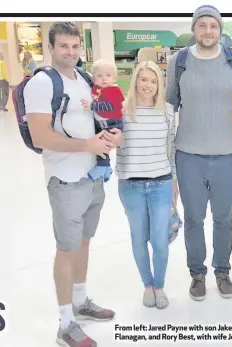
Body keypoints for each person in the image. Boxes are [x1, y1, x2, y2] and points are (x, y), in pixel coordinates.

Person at [24, 22, 120, 347]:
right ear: (51, 47)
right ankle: (66, 324)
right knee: (66, 250)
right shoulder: (41, 84)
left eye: (75, 46)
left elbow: (98, 118)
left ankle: (80, 301)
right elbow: (40, 136)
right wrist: (87, 146)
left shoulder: (86, 79)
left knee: (83, 243)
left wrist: (110, 136)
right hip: (64, 179)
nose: (70, 52)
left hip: (93, 176)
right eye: (63, 46)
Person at [165, 5, 232, 301]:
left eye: (213, 26)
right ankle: (197, 274)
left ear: (220, 29)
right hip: (188, 154)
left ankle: (222, 270)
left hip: (227, 153)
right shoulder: (180, 61)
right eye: (202, 26)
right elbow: (169, 106)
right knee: (193, 218)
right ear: (194, 29)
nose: (208, 31)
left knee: (224, 218)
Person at [117, 61, 177, 310]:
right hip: (130, 185)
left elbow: (171, 149)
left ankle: (160, 285)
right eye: (143, 80)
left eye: (153, 81)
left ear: (159, 84)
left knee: (160, 239)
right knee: (138, 237)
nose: (148, 85)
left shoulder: (168, 111)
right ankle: (147, 286)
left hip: (161, 183)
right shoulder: (121, 111)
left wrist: (174, 183)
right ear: (135, 81)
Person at [81, 59, 125, 182]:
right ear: (93, 78)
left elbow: (108, 106)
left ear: (114, 78)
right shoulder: (97, 88)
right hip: (101, 122)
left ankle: (102, 166)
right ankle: (106, 168)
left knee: (102, 144)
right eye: (99, 76)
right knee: (99, 142)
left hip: (112, 123)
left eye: (108, 75)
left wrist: (92, 106)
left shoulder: (114, 90)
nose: (104, 79)